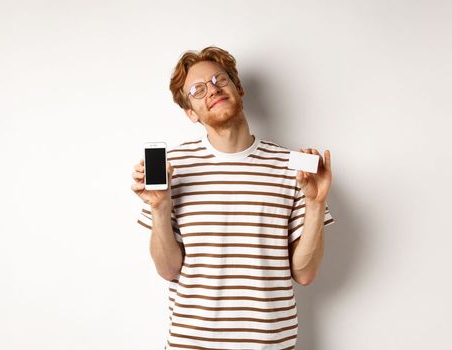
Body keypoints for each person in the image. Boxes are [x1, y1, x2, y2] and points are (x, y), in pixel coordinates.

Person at [131, 46, 335, 349]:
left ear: (237, 87)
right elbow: (168, 269)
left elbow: (304, 274)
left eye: (219, 79)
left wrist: (316, 205)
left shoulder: (292, 167)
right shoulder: (173, 167)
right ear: (190, 112)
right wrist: (160, 207)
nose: (212, 89)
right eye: (197, 90)